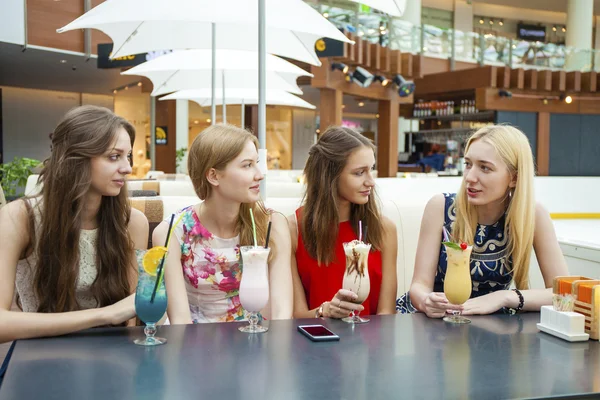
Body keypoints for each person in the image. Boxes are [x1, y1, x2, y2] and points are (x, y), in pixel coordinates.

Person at [0, 105, 149, 343]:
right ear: (74, 159)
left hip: (112, 354)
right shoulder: (19, 218)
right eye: (113, 156)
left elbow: (130, 315)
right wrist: (103, 315)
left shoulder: (131, 222)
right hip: (39, 354)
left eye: (127, 156)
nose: (128, 168)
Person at [403, 125, 569, 317]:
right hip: (430, 323)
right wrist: (425, 301)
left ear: (514, 178)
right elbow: (418, 286)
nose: (470, 177)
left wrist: (503, 297)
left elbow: (564, 294)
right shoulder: (440, 206)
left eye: (485, 168)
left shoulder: (532, 215)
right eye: (468, 164)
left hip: (490, 329)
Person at [154, 124, 292, 324]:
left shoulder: (271, 224)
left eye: (257, 163)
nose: (259, 174)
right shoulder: (172, 232)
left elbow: (282, 314)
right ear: (213, 176)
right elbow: (180, 321)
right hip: (196, 347)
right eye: (247, 165)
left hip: (258, 343)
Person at [289, 126, 397, 319]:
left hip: (371, 344)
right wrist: (325, 311)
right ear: (330, 176)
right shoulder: (293, 229)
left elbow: (386, 313)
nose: (371, 181)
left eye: (371, 169)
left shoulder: (384, 229)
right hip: (315, 343)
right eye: (359, 173)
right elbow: (295, 315)